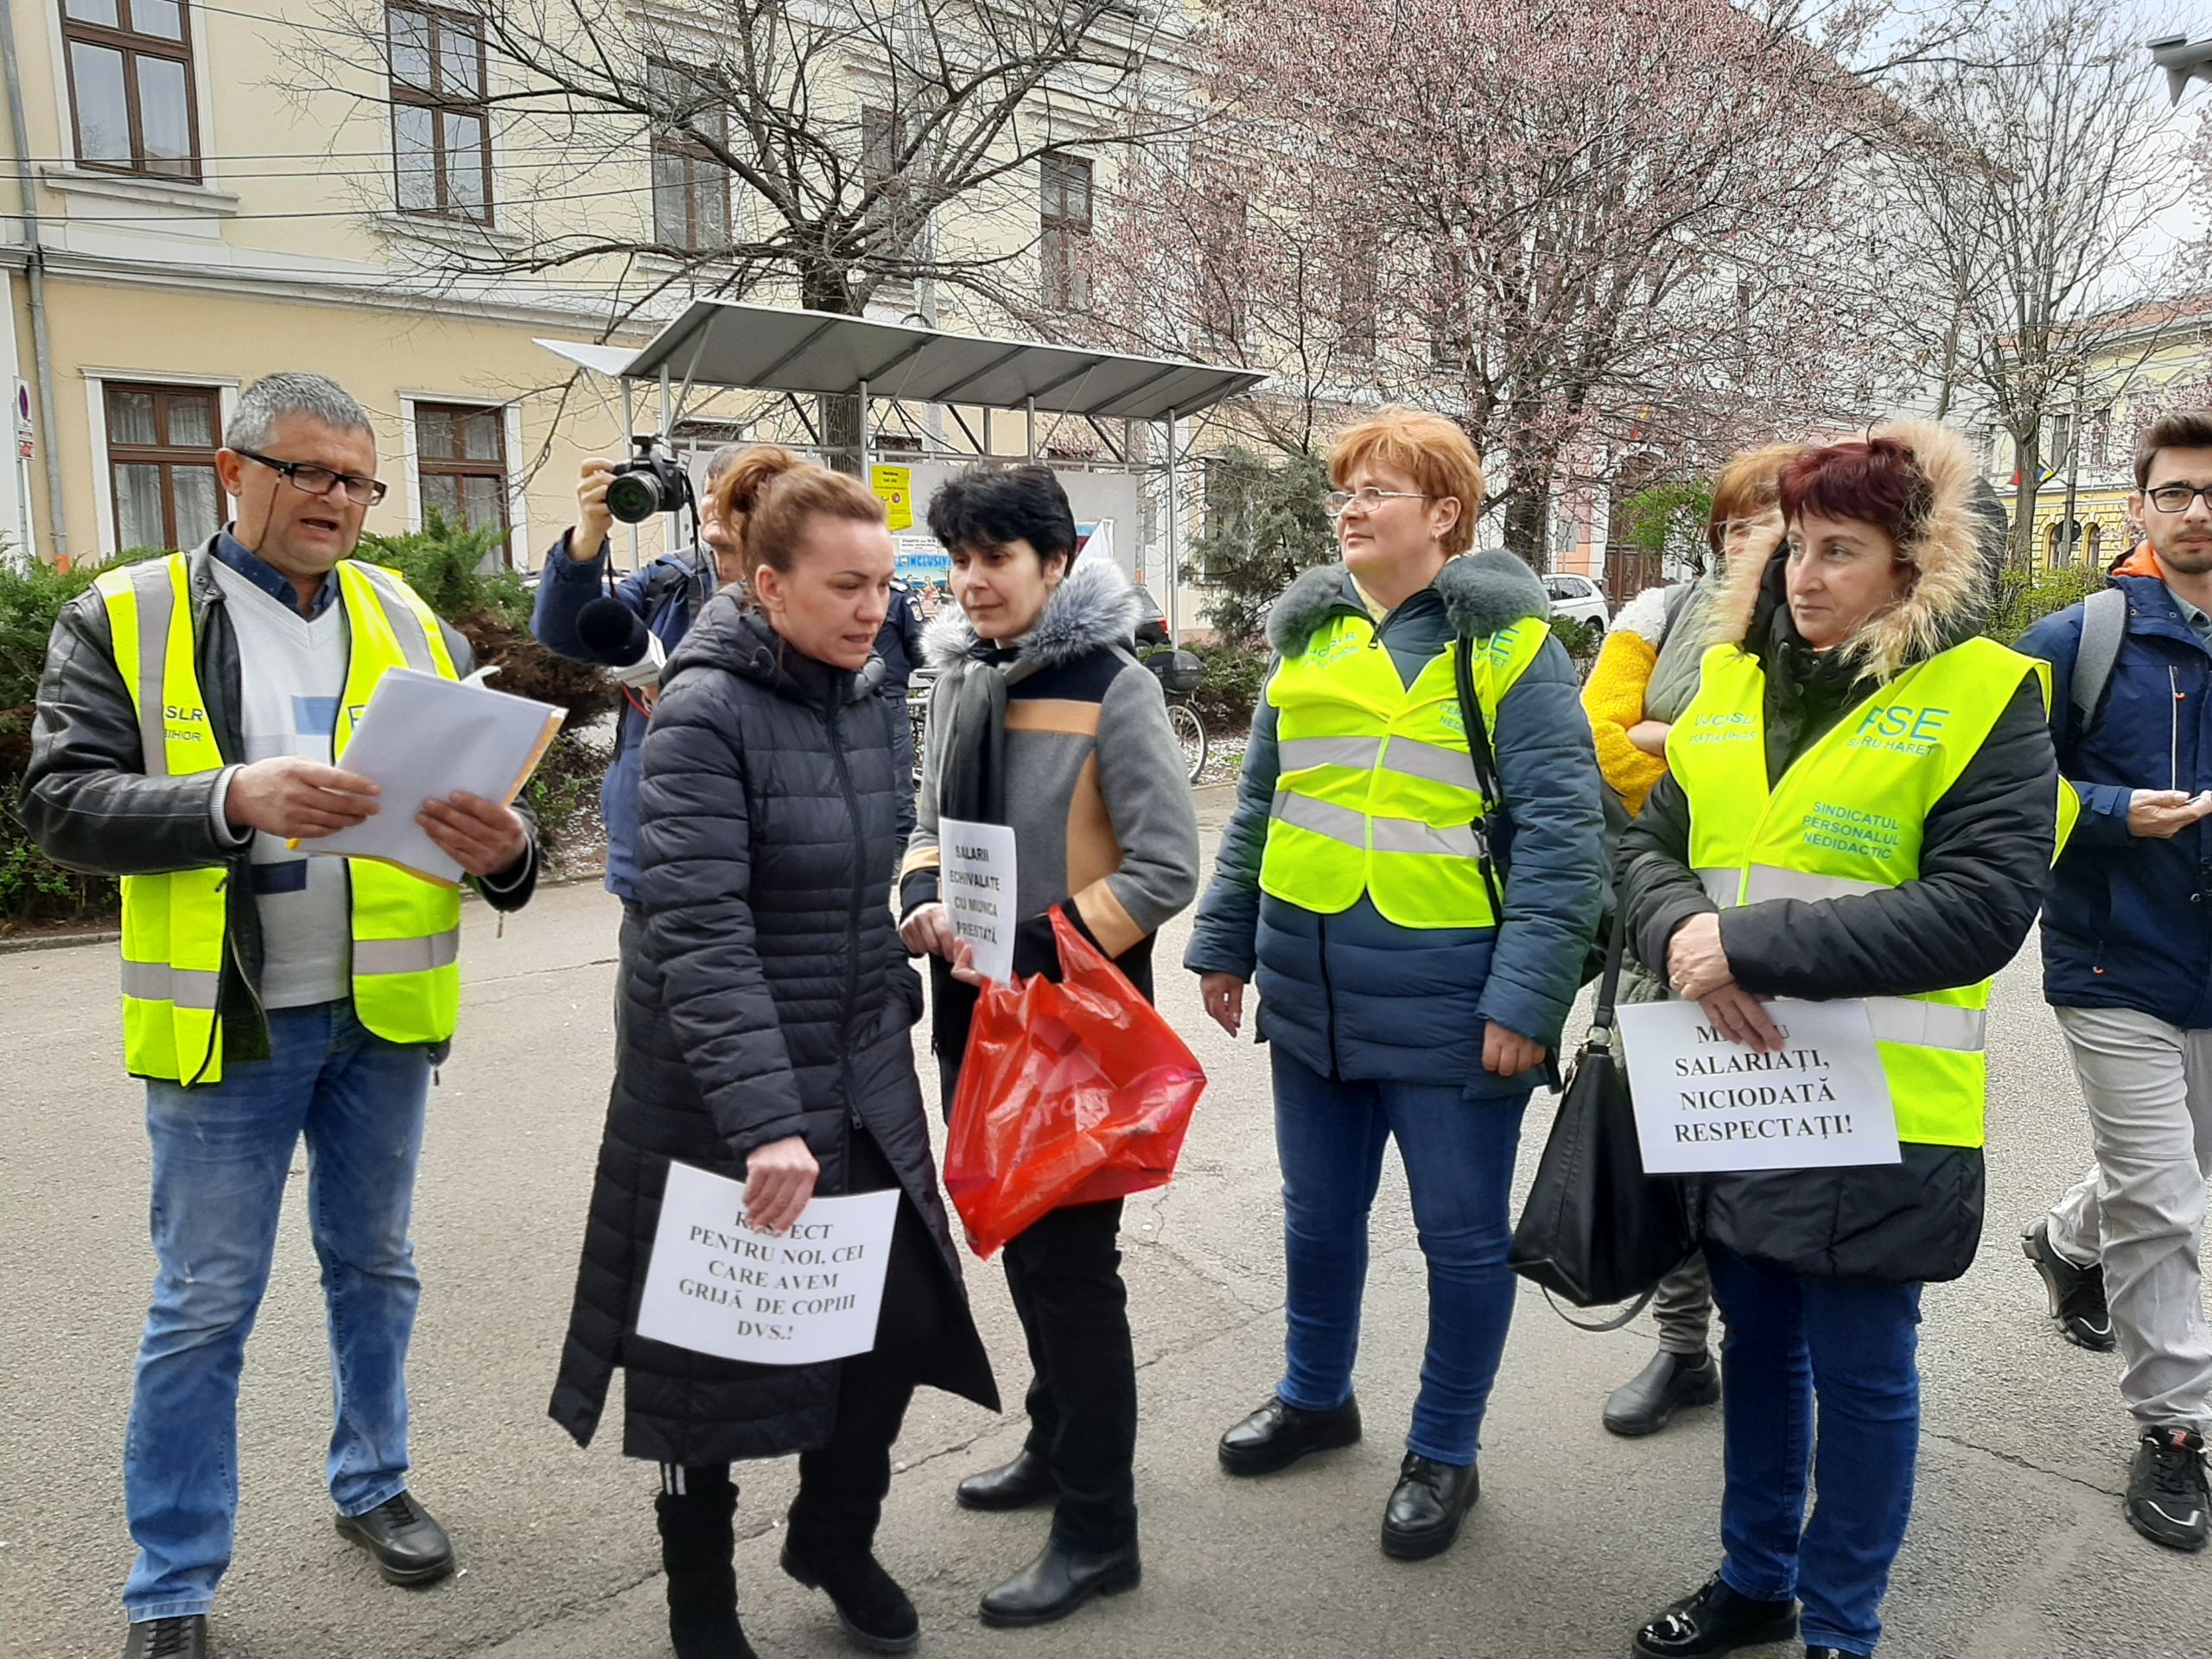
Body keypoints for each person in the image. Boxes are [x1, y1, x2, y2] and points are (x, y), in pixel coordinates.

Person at [19, 372, 540, 1659]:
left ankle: (374, 1482)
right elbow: (56, 801)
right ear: (231, 471)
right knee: (204, 1302)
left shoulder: (410, 616)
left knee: (377, 1268)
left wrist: (509, 848)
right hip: (228, 1025)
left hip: (382, 1015)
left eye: (358, 480)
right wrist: (228, 798)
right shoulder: (126, 614)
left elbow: (476, 811)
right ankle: (173, 1583)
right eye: (309, 471)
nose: (338, 501)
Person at [1618, 422, 2067, 1659]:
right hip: (1740, 1090)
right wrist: (1677, 936)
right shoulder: (1726, 690)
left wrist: (1740, 945)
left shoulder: (1984, 697)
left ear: (1911, 566)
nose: (1805, 576)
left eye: (1842, 549)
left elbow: (1983, 909)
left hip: (1887, 1109)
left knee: (1864, 1377)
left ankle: (1844, 1631)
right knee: (1758, 1347)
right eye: (1793, 546)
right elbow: (1645, 849)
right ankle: (1757, 1579)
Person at [549, 447, 996, 1659]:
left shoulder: (861, 697)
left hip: (854, 1060)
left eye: (887, 586)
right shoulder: (702, 711)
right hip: (716, 1083)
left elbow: (850, 871)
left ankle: (832, 1534)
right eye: (849, 587)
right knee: (708, 1359)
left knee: (898, 1317)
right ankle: (703, 1600)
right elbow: (699, 931)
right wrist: (765, 1124)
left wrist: (906, 920)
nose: (879, 610)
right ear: (767, 584)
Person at [1184, 406, 1606, 1561]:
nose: (1350, 508)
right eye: (1346, 489)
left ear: (1444, 515)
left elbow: (1570, 834)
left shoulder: (1508, 651)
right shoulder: (1310, 646)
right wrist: (1225, 942)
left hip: (1451, 994)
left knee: (1461, 1238)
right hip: (1311, 987)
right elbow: (1264, 807)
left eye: (1377, 490)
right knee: (1318, 1217)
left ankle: (1444, 1449)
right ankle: (1318, 1397)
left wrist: (1528, 1001)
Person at [897, 464, 1200, 1627]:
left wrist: (1038, 941)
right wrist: (918, 904)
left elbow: (1166, 867)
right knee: (1023, 1252)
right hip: (976, 1011)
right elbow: (925, 830)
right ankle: (1055, 1439)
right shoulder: (959, 681)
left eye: (998, 558)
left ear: (1057, 562)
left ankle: (1099, 1532)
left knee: (1074, 1280)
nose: (973, 580)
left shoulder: (1112, 686)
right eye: (960, 558)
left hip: (1074, 1025)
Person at [2018, 410, 2212, 1552]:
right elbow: (1995, 787)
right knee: (2165, 1197)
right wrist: (2108, 812)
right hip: (2114, 964)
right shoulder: (2078, 639)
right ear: (2138, 509)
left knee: (2176, 1171)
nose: (2198, 512)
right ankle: (2177, 1430)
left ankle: (2065, 1239)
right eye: (2176, 492)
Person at [1580, 442, 1797, 1438]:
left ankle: (1782, 1363)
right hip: (1663, 909)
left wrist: (1690, 749)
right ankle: (1680, 1351)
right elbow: (1603, 738)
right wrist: (1705, 766)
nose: (1762, 538)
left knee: (1776, 1145)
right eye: (1744, 520)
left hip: (1786, 927)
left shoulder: (1820, 635)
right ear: (1717, 530)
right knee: (1672, 1136)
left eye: (1780, 521)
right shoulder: (1656, 615)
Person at [531, 444, 743, 982]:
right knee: (653, 1055)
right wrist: (587, 538)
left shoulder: (813, 595)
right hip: (655, 864)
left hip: (759, 868)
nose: (720, 512)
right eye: (714, 496)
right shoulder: (666, 583)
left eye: (741, 498)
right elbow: (565, 630)